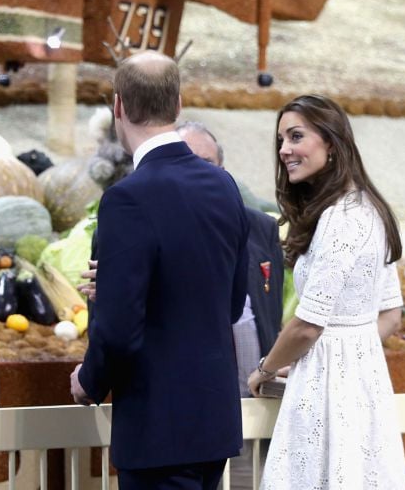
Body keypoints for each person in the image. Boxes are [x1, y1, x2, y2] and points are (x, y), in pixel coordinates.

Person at [69, 52, 249, 490]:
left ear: (118, 107)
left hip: (159, 428)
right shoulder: (223, 185)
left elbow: (120, 331)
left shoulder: (127, 198)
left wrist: (88, 380)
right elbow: (230, 301)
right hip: (214, 423)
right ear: (179, 104)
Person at [247, 94, 405, 489]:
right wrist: (347, 357)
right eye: (281, 139)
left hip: (327, 394)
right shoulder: (368, 208)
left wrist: (266, 369)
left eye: (296, 136)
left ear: (331, 144)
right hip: (361, 390)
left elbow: (308, 326)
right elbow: (390, 316)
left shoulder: (342, 218)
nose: (284, 149)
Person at [176, 120, 284, 490]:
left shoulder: (261, 228)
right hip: (191, 420)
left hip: (257, 411)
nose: (198, 172)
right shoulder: (157, 231)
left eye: (207, 162)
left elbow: (271, 317)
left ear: (222, 169)